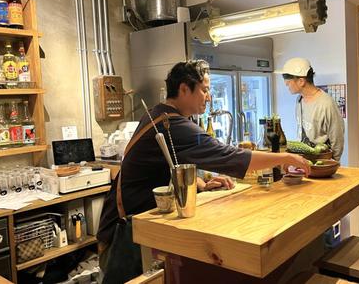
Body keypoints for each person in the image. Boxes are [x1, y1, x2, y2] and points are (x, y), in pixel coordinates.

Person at [97, 60, 311, 282]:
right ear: (183, 89)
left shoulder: (158, 114)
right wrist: (283, 158)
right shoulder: (172, 124)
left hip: (130, 226)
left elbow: (165, 167)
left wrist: (200, 185)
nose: (208, 97)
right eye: (204, 90)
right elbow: (229, 155)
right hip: (124, 235)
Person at [275, 58, 344, 161]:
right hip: (305, 161)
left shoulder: (326, 103)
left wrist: (332, 163)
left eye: (288, 82)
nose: (286, 85)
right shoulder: (299, 100)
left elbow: (337, 137)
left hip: (322, 161)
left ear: (301, 81)